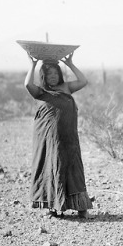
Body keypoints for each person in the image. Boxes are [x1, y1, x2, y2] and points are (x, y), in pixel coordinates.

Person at [24, 52, 93, 219]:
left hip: (69, 136)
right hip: (49, 138)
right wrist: (32, 64)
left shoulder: (66, 87)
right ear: (44, 76)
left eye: (56, 73)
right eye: (49, 74)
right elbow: (27, 84)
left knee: (73, 167)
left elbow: (83, 81)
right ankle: (53, 206)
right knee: (51, 166)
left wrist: (70, 63)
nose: (53, 77)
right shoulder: (40, 92)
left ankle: (80, 207)